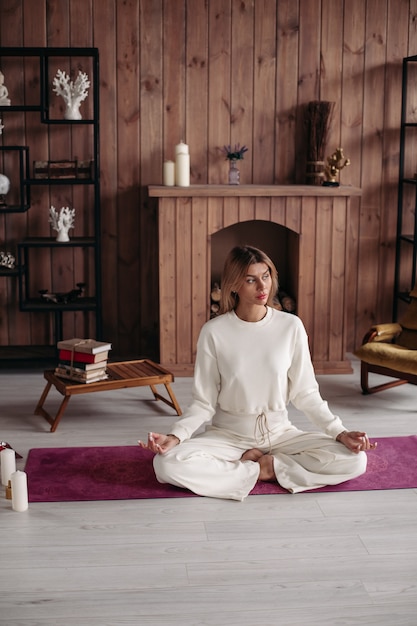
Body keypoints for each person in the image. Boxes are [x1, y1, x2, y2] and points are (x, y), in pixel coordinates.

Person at [138, 245, 375, 501]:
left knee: (355, 460)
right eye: (251, 280)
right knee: (167, 465)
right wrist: (176, 436)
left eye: (266, 276)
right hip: (228, 435)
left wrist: (339, 432)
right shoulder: (214, 332)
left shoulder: (290, 326)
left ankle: (267, 468)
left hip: (281, 433)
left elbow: (306, 393)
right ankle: (255, 467)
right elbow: (203, 402)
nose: (262, 287)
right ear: (234, 285)